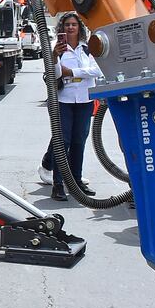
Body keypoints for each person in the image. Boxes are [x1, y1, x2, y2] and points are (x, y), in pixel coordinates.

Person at [42, 12, 103, 201]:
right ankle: (58, 184)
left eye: (73, 25)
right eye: (67, 25)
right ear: (61, 28)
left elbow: (97, 70)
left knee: (79, 142)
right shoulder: (57, 49)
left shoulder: (87, 49)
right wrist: (55, 57)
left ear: (79, 28)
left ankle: (76, 181)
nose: (70, 28)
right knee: (63, 142)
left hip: (84, 99)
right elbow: (57, 74)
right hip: (64, 100)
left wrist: (74, 72)